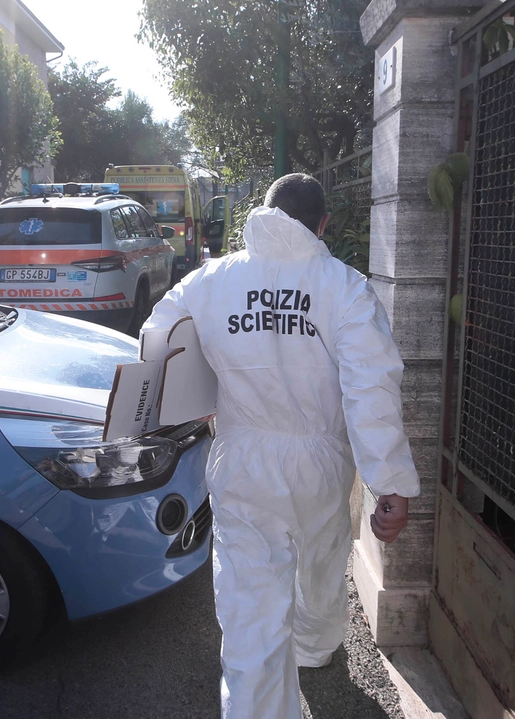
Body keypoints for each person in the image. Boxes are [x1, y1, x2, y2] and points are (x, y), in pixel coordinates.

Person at [142, 173, 418, 719]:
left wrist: (198, 397)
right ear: (322, 225)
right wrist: (389, 483)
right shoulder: (343, 287)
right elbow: (372, 389)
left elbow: (158, 342)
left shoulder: (209, 281)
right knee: (320, 560)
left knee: (250, 606)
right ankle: (315, 648)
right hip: (319, 462)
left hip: (241, 459)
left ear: (262, 214)